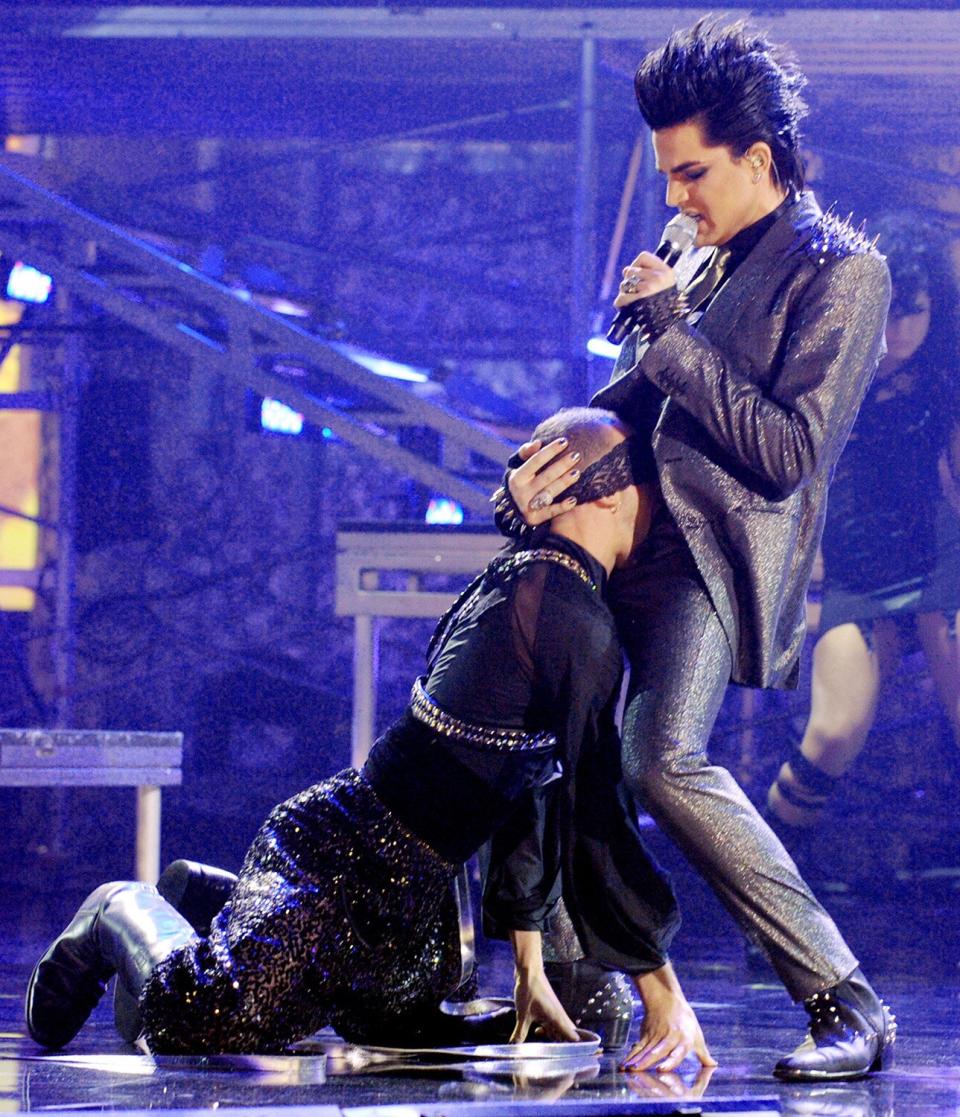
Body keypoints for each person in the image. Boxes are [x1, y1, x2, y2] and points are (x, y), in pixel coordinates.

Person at [25, 407, 713, 1071]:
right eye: (649, 492)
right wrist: (663, 989)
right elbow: (598, 811)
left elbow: (537, 791)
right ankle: (119, 908)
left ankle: (215, 898)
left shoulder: (551, 591)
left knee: (413, 1023)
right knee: (209, 1019)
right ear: (610, 493)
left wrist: (532, 966)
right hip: (338, 856)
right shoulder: (557, 608)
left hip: (411, 901)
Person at [494, 18, 895, 1081]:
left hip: (712, 559)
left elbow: (787, 451)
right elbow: (632, 394)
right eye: (669, 176)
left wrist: (670, 331)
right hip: (617, 535)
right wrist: (547, 466)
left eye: (692, 174)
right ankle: (571, 982)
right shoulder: (694, 254)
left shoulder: (845, 276)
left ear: (759, 159)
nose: (676, 198)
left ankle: (843, 997)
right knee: (546, 727)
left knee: (660, 758)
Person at [766, 213, 960, 838]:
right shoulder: (825, 371)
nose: (902, 328)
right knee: (832, 733)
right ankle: (770, 898)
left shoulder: (943, 371)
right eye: (891, 310)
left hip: (940, 565)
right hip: (858, 577)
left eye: (917, 310)